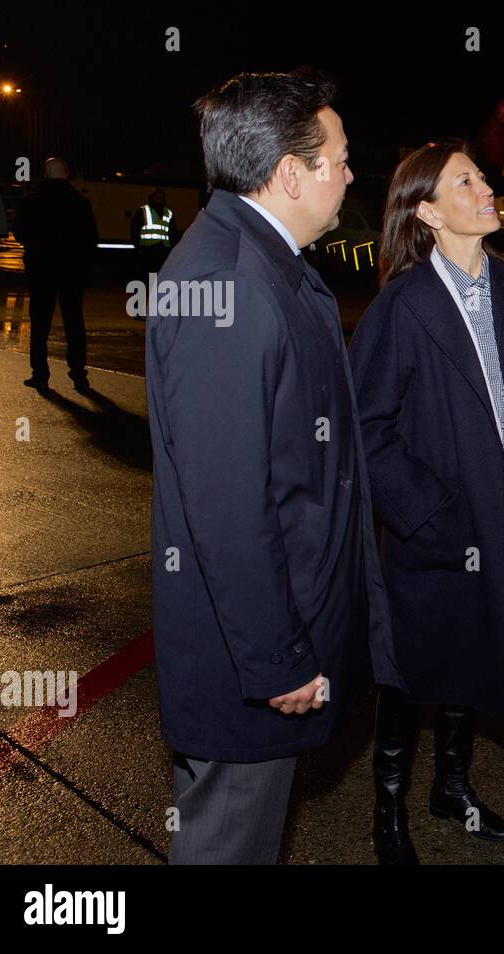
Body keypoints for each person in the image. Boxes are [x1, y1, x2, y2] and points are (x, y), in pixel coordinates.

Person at [145, 68, 394, 864]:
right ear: (291, 173)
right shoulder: (229, 283)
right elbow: (226, 504)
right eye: (341, 159)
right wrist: (278, 657)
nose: (352, 176)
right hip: (249, 656)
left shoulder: (261, 261)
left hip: (276, 630)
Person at [349, 140, 504, 863]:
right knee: (411, 670)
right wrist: (425, 511)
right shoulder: (404, 303)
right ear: (427, 210)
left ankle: (452, 787)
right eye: (465, 181)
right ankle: (389, 811)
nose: (486, 188)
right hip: (437, 528)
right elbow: (367, 427)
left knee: (474, 655)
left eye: (481, 176)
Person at [14, 157, 98, 391]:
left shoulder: (29, 203)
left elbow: (19, 233)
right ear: (67, 173)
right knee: (74, 321)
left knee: (40, 323)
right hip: (72, 270)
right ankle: (78, 373)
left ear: (45, 174)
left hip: (41, 269)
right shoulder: (81, 203)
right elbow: (91, 238)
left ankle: (40, 373)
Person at [131, 187, 175, 283]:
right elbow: (134, 230)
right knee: (147, 277)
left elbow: (172, 233)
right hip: (148, 250)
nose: (159, 199)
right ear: (151, 198)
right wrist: (138, 247)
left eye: (161, 197)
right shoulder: (143, 211)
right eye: (157, 197)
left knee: (160, 277)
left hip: (163, 250)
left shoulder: (168, 213)